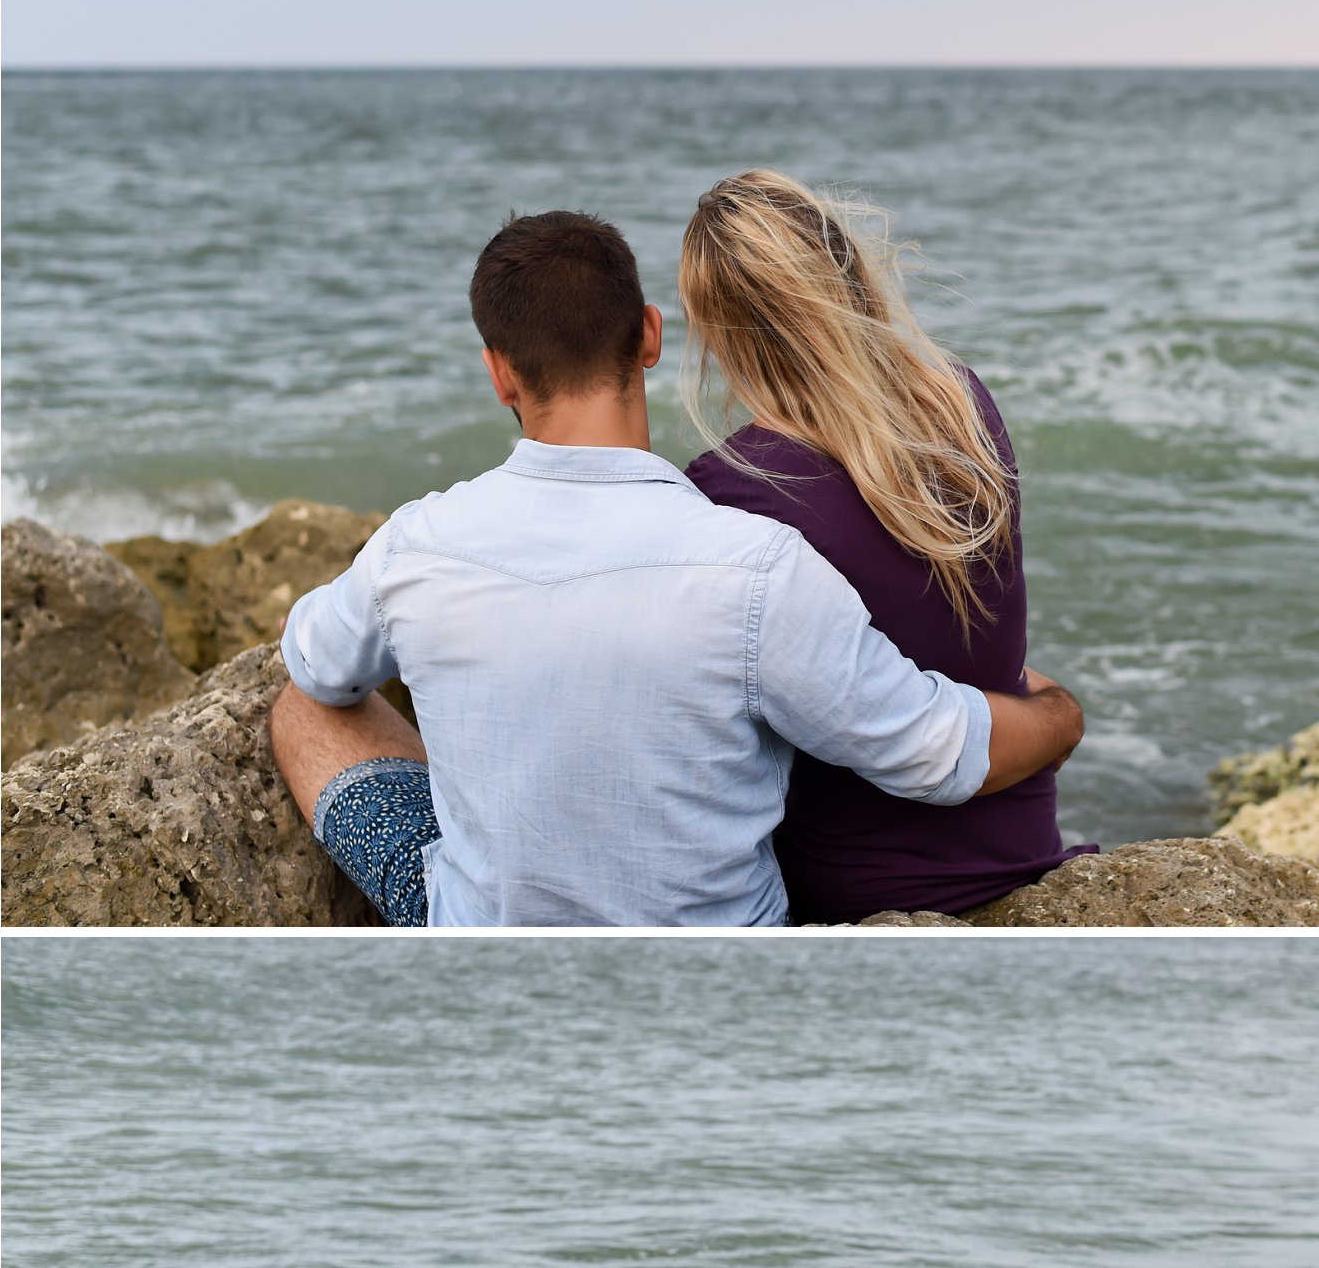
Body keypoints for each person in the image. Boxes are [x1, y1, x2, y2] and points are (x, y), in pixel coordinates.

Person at [270, 210, 1084, 927]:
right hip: (720, 956)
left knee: (302, 712)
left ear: (499, 373)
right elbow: (931, 748)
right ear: (651, 336)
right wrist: (1057, 714)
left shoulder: (418, 544)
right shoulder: (755, 564)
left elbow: (315, 661)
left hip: (487, 936)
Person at [680, 170, 1092, 923]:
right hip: (1019, 848)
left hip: (849, 888)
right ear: (847, 276)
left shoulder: (727, 488)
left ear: (713, 329)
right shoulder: (962, 402)